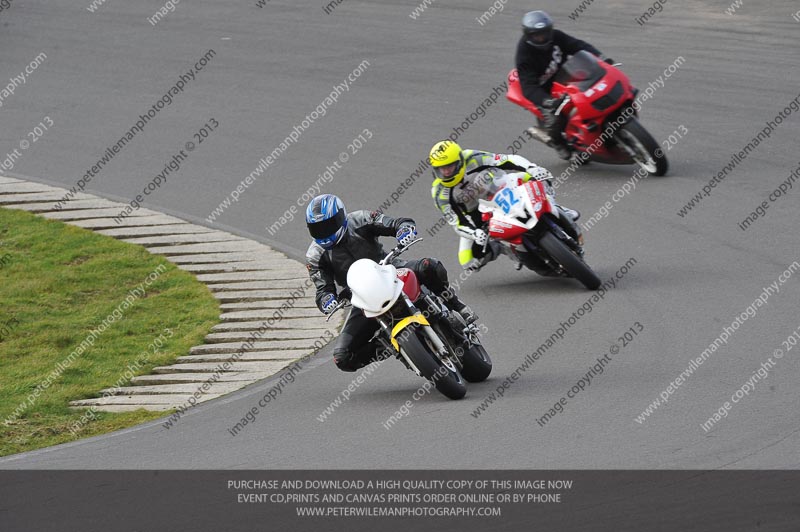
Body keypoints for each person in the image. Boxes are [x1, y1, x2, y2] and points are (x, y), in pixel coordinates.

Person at [305, 194, 475, 372]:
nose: (324, 233)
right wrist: (327, 300)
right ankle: (390, 345)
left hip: (391, 270)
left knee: (429, 266)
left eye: (328, 226)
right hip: (362, 297)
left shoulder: (360, 219)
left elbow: (395, 223)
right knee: (343, 357)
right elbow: (322, 287)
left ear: (341, 217)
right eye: (317, 229)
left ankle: (457, 306)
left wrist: (404, 230)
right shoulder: (315, 255)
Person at [429, 140, 580, 271]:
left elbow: (507, 159)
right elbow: (457, 223)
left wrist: (532, 168)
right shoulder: (439, 193)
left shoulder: (473, 158)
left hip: (500, 188)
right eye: (441, 169)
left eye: (450, 166)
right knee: (468, 261)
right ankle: (506, 248)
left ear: (460, 160)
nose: (446, 172)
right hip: (476, 215)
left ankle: (555, 207)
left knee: (533, 177)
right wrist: (474, 233)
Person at [515, 10, 614, 159]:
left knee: (596, 87)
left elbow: (578, 46)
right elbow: (528, 87)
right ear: (529, 35)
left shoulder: (557, 36)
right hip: (544, 90)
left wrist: (600, 57)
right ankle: (558, 143)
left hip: (565, 74)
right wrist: (548, 101)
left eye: (545, 33)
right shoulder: (524, 55)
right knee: (556, 118)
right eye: (537, 35)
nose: (542, 38)